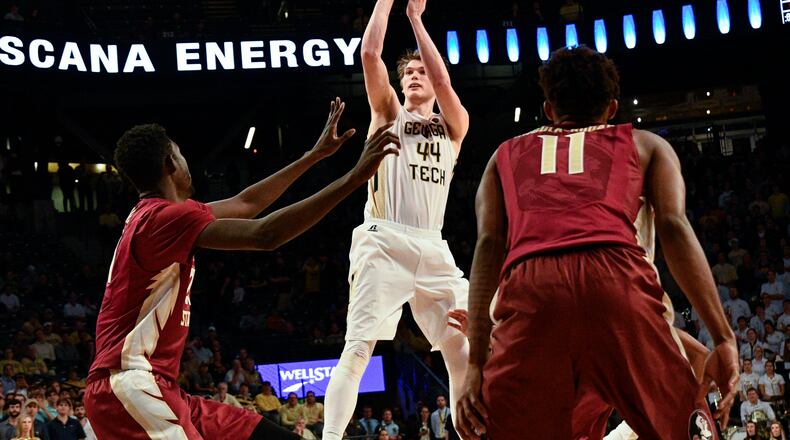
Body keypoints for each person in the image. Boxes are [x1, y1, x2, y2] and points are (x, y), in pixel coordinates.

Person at [456, 47, 738, 439]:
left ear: (549, 110)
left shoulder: (503, 155)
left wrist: (475, 365)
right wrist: (723, 336)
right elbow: (674, 228)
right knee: (683, 424)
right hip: (617, 283)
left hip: (533, 292)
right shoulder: (646, 144)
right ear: (611, 108)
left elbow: (487, 248)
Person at [82, 99, 399, 440]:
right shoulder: (162, 218)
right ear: (170, 163)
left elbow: (247, 204)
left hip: (159, 387)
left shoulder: (158, 216)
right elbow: (266, 234)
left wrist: (314, 156)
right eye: (182, 155)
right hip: (130, 383)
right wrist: (354, 178)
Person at [322, 1, 470, 438]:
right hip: (384, 239)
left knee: (461, 348)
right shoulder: (388, 113)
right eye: (408, 72)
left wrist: (418, 19)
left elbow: (443, 78)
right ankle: (330, 436)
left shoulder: (454, 125)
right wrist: (388, 4)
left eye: (419, 71)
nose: (413, 76)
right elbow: (370, 55)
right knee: (359, 347)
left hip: (433, 246)